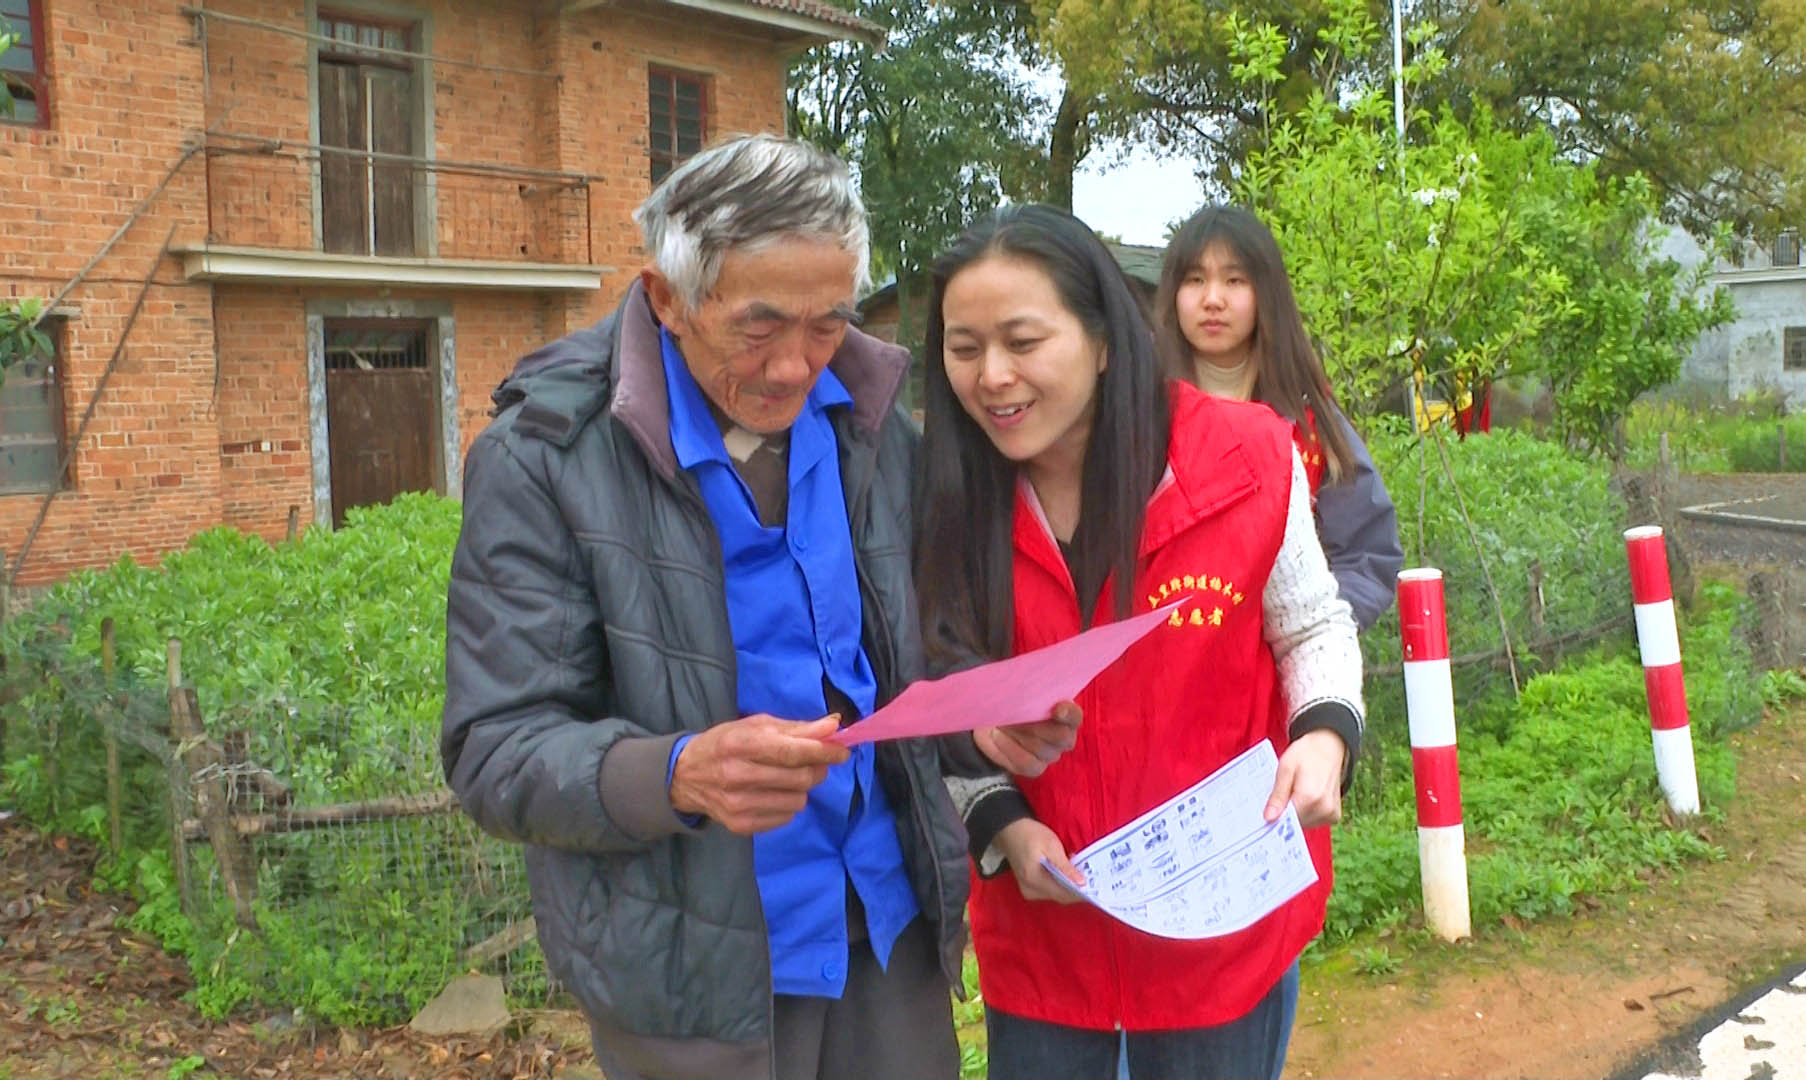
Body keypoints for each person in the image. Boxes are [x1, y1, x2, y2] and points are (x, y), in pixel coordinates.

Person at [440, 135, 1077, 1080]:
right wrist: (677, 773)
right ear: (666, 299)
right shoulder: (547, 458)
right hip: (690, 969)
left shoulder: (871, 428)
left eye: (826, 325)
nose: (794, 366)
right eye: (758, 326)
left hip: (880, 923)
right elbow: (493, 745)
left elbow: (912, 661)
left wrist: (980, 718)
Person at [916, 204, 1364, 1080]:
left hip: (1222, 924)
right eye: (963, 348)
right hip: (1048, 935)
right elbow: (939, 690)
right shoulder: (945, 497)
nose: (992, 376)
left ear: (1104, 339)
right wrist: (1000, 820)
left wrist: (1324, 736)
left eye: (1021, 340)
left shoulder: (1247, 458)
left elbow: (1311, 623)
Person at [1152, 204, 1402, 631]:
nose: (1213, 299)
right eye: (1195, 280)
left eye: (1234, 280)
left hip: (1286, 672)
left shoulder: (1309, 424)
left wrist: (1312, 636)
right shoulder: (1142, 415)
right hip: (1164, 671)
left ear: (1265, 293)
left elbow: (1367, 554)